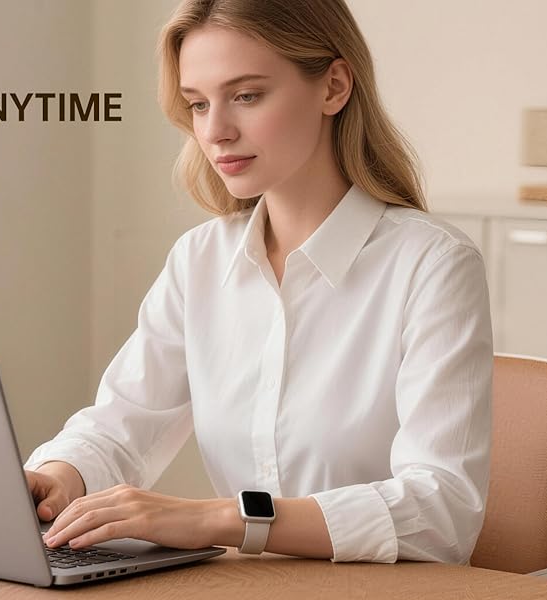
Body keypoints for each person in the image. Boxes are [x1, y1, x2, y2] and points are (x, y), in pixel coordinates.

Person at [27, 0, 493, 564]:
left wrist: (217, 518)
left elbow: (440, 513)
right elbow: (122, 425)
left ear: (334, 87)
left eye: (246, 96)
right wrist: (59, 476)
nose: (216, 131)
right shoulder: (200, 259)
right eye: (198, 104)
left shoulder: (432, 264)